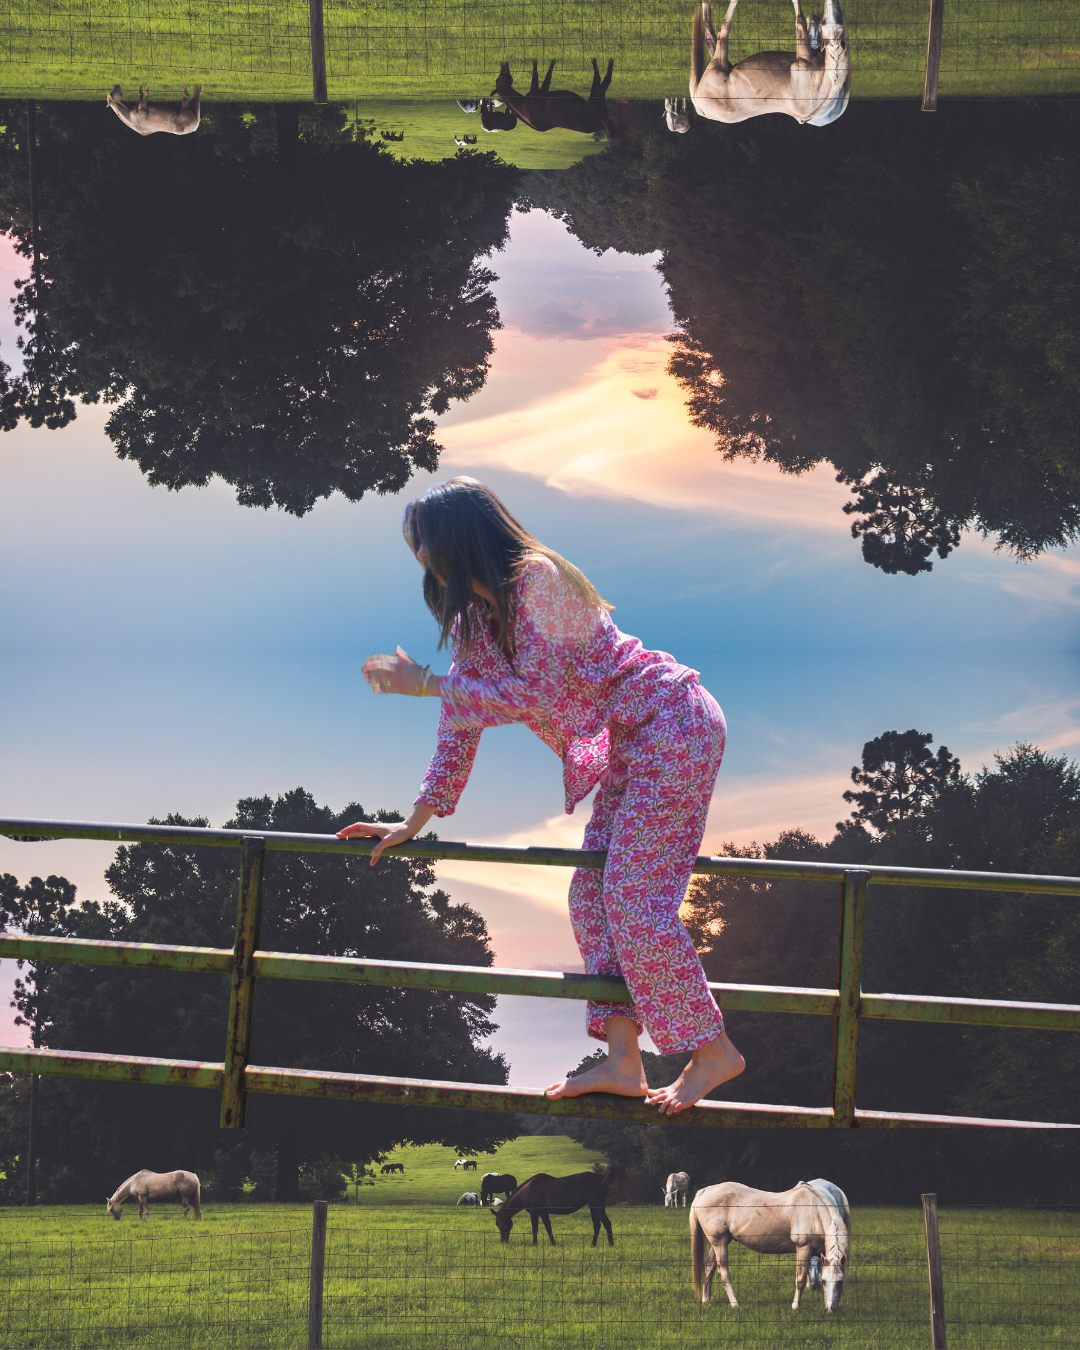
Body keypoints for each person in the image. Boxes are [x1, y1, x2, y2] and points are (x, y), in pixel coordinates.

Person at [337, 477, 744, 1114]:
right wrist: (412, 820)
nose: (420, 557)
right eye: (415, 547)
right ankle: (623, 1059)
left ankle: (712, 1049)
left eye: (425, 543)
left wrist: (426, 684)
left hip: (673, 724)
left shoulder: (540, 580)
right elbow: (461, 719)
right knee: (591, 894)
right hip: (627, 749)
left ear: (460, 537)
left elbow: (538, 693)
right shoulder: (476, 619)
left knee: (636, 899)